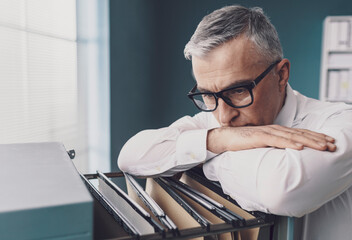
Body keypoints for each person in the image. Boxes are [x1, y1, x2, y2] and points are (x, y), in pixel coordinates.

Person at [118, 5, 352, 240]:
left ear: (281, 75)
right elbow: (130, 157)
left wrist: (204, 159)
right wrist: (220, 139)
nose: (223, 117)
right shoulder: (215, 123)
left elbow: (280, 192)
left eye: (238, 90)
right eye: (208, 94)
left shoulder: (341, 123)